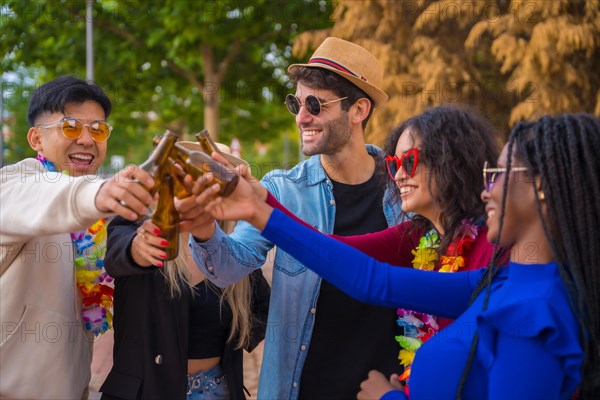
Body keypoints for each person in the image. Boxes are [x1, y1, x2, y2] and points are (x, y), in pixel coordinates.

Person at [198, 113, 600, 398]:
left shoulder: (533, 309)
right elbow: (363, 273)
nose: (486, 189)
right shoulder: (500, 279)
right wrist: (259, 204)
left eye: (498, 175)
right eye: (392, 164)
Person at [188, 37, 407, 400]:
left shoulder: (404, 190)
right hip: (300, 389)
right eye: (296, 103)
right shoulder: (282, 189)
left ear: (359, 110)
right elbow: (227, 267)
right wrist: (201, 225)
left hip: (386, 390)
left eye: (315, 104)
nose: (301, 117)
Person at [0, 75, 155, 399]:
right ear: (36, 139)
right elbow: (41, 195)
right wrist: (100, 191)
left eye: (98, 129)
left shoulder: (92, 220)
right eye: (70, 126)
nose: (87, 139)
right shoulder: (16, 183)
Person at [99, 142, 270, 400]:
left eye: (211, 177)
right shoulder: (137, 226)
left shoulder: (235, 252)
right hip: (145, 391)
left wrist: (241, 334)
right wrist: (142, 248)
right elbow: (118, 257)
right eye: (188, 172)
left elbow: (268, 309)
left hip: (216, 390)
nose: (197, 185)